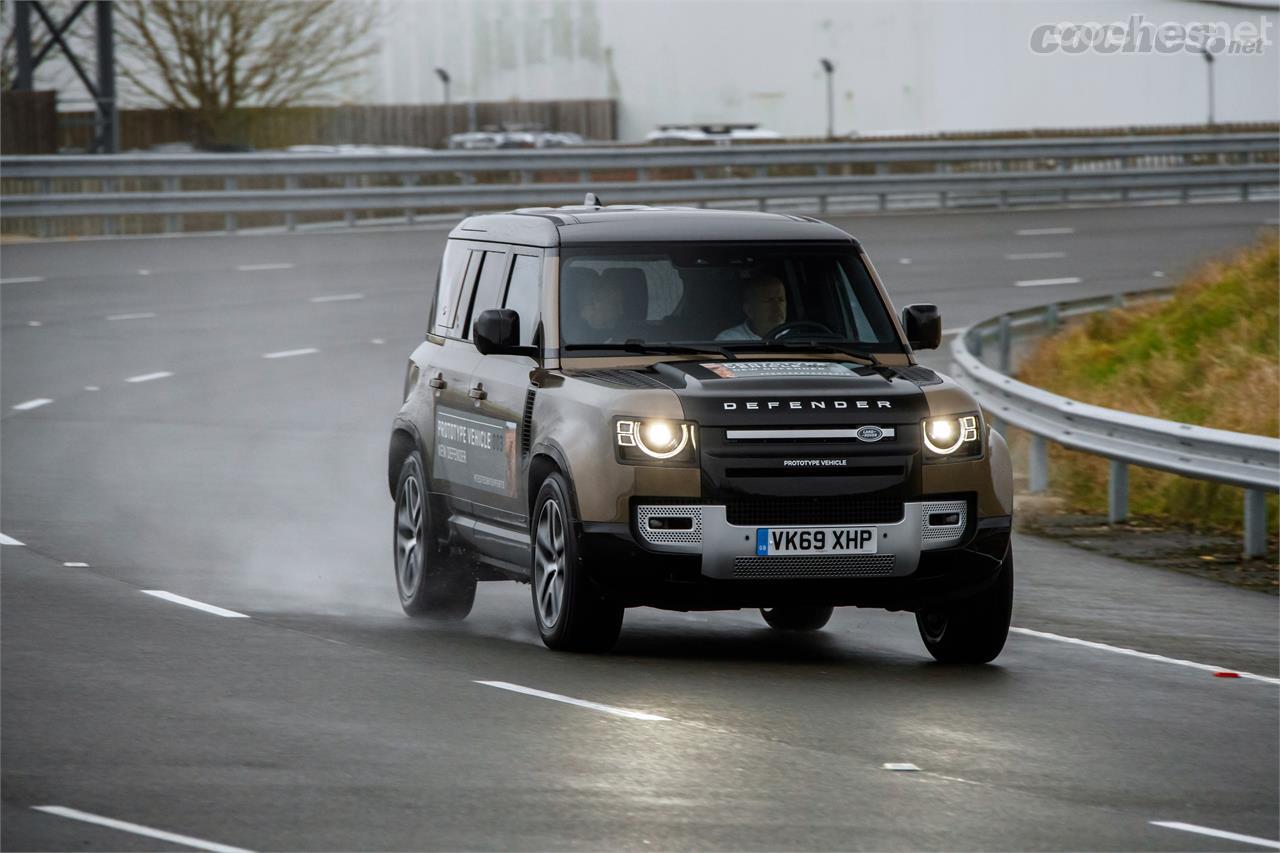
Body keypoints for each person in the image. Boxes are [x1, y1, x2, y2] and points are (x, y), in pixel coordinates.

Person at [716, 274, 787, 340]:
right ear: (749, 310)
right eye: (769, 300)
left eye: (781, 300)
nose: (777, 307)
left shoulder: (794, 336)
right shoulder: (730, 340)